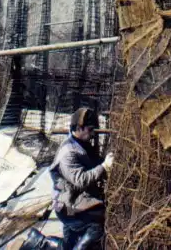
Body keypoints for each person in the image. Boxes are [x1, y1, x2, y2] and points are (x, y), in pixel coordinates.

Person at [49, 107, 114, 250]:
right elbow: (81, 180)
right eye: (90, 130)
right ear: (79, 128)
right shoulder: (68, 152)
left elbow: (94, 162)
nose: (92, 134)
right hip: (66, 207)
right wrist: (104, 167)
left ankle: (59, 245)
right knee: (98, 224)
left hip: (73, 200)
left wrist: (106, 162)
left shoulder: (81, 144)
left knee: (70, 240)